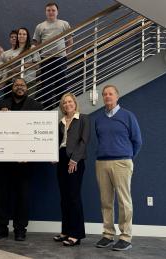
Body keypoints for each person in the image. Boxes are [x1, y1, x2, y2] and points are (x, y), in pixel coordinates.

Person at [0, 78, 42, 241]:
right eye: (16, 85)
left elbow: (39, 132)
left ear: (27, 88)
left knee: (23, 196)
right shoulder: (2, 104)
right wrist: (0, 116)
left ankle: (20, 229)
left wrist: (32, 154)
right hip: (4, 160)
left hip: (25, 161)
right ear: (12, 88)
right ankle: (1, 228)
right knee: (1, 195)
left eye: (23, 85)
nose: (20, 87)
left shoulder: (36, 106)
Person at [95, 85, 142, 251]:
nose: (107, 96)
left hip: (122, 162)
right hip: (101, 163)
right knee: (105, 201)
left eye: (110, 94)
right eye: (105, 94)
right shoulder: (99, 119)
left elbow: (137, 141)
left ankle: (125, 237)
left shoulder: (128, 116)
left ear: (117, 96)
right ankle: (108, 234)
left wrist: (126, 157)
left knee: (124, 201)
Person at [54, 93, 90, 246]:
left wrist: (74, 159)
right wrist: (52, 154)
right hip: (61, 159)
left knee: (74, 197)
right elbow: (57, 142)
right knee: (64, 197)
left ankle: (76, 234)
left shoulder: (83, 119)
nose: (67, 104)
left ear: (75, 103)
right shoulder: (60, 122)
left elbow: (84, 141)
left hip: (75, 160)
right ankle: (66, 231)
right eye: (64, 103)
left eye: (70, 101)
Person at [33, 2, 73, 107]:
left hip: (60, 59)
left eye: (53, 10)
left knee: (62, 84)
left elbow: (70, 40)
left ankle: (63, 108)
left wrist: (66, 55)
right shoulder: (40, 26)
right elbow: (36, 44)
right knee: (46, 85)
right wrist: (39, 58)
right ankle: (48, 108)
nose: (51, 12)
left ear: (57, 12)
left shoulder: (64, 24)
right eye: (48, 10)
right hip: (45, 59)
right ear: (45, 12)